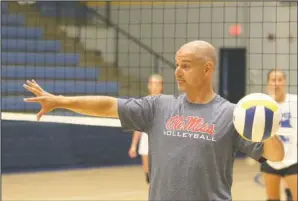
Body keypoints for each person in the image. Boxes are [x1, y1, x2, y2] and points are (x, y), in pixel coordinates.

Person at [23, 40, 285, 201]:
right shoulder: (158, 106)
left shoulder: (232, 114)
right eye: (177, 64)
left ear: (207, 69)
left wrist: (267, 128)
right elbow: (108, 105)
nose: (177, 72)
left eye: (185, 65)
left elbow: (275, 155)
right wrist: (61, 101)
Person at [259, 69, 297, 201]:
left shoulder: (294, 101)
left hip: (292, 160)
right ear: (268, 83)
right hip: (270, 160)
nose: (277, 83)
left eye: (280, 80)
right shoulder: (263, 104)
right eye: (273, 80)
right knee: (272, 198)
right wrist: (271, 102)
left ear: (285, 82)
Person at [128, 74, 164, 184]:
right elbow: (138, 126)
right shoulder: (143, 103)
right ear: (148, 86)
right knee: (148, 175)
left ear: (161, 86)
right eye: (152, 83)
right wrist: (133, 146)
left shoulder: (167, 103)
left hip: (162, 139)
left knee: (160, 174)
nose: (154, 86)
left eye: (157, 84)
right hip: (146, 138)